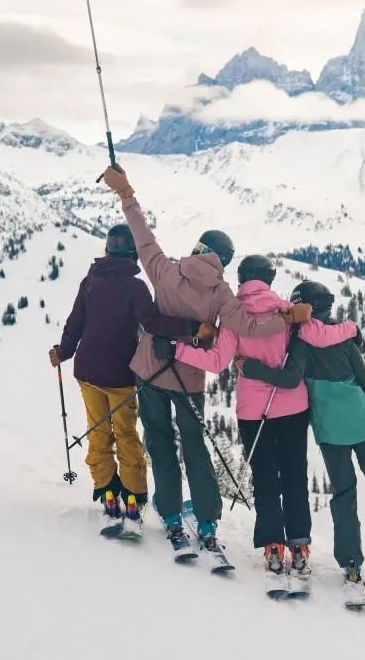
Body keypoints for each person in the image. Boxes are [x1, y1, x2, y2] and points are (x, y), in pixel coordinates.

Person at [100, 164, 312, 556]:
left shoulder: (163, 270)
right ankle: (208, 518)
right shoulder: (221, 296)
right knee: (194, 445)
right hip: (189, 379)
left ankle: (170, 514)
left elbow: (141, 233)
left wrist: (126, 191)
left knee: (160, 443)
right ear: (224, 262)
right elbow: (248, 326)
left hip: (149, 371)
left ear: (198, 248)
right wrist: (285, 317)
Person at [235, 279, 365, 601]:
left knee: (343, 495)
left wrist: (251, 368)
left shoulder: (302, 342)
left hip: (331, 432)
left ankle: (351, 564)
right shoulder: (345, 339)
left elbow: (290, 378)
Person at [171, 254, 348, 589]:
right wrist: (350, 329)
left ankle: (273, 546)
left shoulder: (234, 316)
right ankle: (299, 545)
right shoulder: (287, 310)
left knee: (265, 477)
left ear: (241, 279)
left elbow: (217, 361)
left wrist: (178, 351)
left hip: (254, 413)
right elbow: (321, 336)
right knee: (294, 475)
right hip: (294, 409)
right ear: (268, 278)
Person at [47, 223, 207, 535]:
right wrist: (192, 327)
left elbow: (75, 321)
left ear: (107, 249)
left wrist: (63, 352)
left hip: (88, 371)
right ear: (133, 253)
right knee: (125, 434)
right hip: (120, 374)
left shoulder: (90, 281)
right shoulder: (135, 287)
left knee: (98, 432)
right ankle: (133, 498)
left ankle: (108, 493)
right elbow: (153, 322)